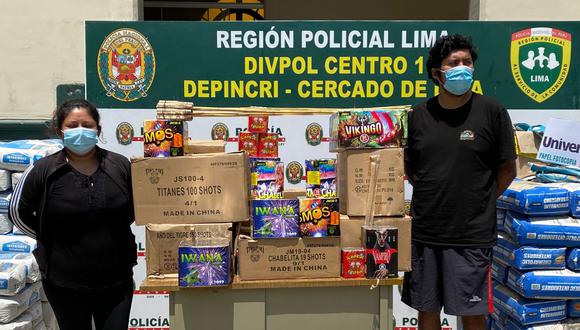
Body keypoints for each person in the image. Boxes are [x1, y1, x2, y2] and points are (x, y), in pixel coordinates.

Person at [402, 34, 516, 330]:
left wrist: (479, 201)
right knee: (426, 310)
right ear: (436, 73)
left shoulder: (492, 111)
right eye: (453, 63)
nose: (462, 68)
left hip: (471, 236)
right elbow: (411, 169)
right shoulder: (417, 116)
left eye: (467, 62)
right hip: (425, 232)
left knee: (472, 314)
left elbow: (507, 170)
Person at [9, 99, 137, 330]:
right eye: (72, 125)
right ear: (60, 131)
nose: (81, 131)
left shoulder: (120, 166)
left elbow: (135, 210)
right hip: (64, 283)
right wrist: (48, 235)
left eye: (87, 125)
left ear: (98, 130)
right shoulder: (44, 170)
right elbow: (18, 212)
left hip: (116, 281)